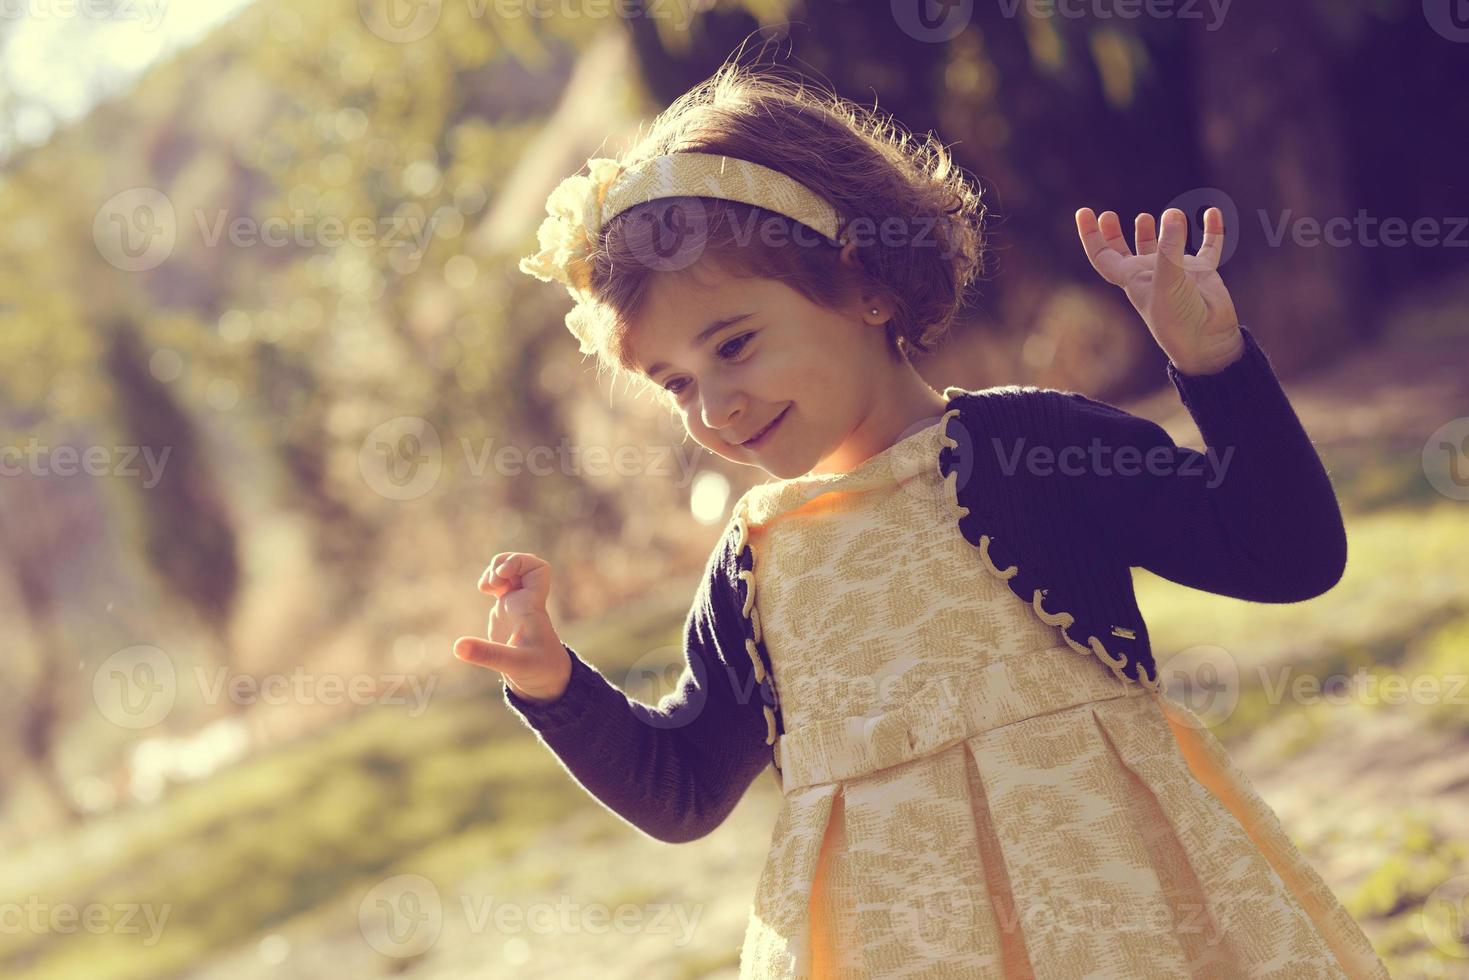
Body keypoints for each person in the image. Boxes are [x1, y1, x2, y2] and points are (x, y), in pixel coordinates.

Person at [452, 62, 1391, 979]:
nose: (714, 407)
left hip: (1120, 924)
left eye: (734, 344)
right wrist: (553, 687)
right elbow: (684, 791)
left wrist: (1214, 363)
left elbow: (1288, 554)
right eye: (676, 385)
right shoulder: (758, 563)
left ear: (864, 281)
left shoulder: (1027, 450)